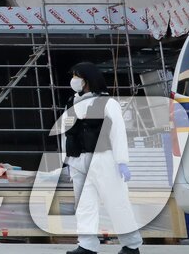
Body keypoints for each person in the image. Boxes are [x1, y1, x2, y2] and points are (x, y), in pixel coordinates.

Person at [60, 62, 141, 254]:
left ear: (88, 79)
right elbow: (66, 132)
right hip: (79, 159)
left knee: (116, 203)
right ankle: (86, 245)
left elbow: (117, 132)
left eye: (77, 76)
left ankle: (131, 245)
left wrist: (122, 161)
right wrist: (67, 159)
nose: (74, 80)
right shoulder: (71, 102)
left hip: (103, 159)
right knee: (84, 205)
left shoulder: (108, 103)